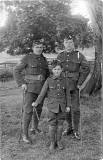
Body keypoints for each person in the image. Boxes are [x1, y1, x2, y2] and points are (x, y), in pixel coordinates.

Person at [14, 38, 50, 143]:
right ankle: (25, 134)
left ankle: (34, 128)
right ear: (33, 48)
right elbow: (16, 70)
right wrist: (22, 83)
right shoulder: (27, 58)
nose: (39, 49)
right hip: (29, 89)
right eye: (37, 47)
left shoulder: (44, 59)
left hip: (41, 89)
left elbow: (47, 74)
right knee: (28, 111)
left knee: (38, 109)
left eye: (41, 47)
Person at [57, 32, 90, 140]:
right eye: (66, 42)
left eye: (70, 42)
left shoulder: (79, 55)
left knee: (75, 109)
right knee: (65, 108)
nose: (69, 44)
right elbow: (55, 69)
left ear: (73, 43)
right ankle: (69, 128)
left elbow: (86, 69)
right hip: (63, 86)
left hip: (75, 86)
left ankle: (76, 130)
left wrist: (80, 83)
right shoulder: (60, 55)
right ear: (64, 44)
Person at [32, 60, 70, 151]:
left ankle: (59, 141)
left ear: (62, 70)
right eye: (55, 69)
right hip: (52, 107)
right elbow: (42, 93)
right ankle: (52, 142)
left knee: (60, 124)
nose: (57, 71)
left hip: (62, 106)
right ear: (52, 70)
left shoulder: (65, 81)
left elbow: (68, 94)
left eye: (59, 69)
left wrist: (68, 106)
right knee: (52, 124)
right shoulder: (48, 80)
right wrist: (36, 102)